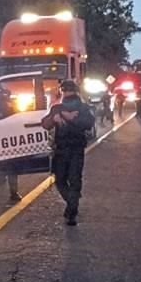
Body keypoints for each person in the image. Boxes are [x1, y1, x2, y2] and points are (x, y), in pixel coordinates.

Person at [41, 79, 95, 226]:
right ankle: (73, 203)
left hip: (71, 149)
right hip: (66, 149)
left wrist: (68, 118)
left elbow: (88, 123)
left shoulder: (81, 108)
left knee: (69, 179)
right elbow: (45, 124)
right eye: (65, 91)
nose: (66, 93)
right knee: (66, 180)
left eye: (67, 91)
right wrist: (54, 117)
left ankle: (72, 208)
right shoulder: (58, 108)